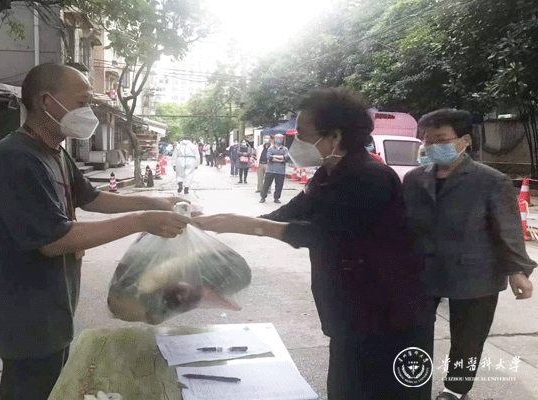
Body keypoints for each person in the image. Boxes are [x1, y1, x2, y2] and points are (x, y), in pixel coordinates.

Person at [193, 87, 435, 400]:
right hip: (353, 309)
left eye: (303, 135)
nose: (296, 143)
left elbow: (325, 234)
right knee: (346, 386)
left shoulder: (369, 176)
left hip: (390, 312)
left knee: (380, 391)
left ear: (334, 136)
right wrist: (226, 222)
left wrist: (252, 226)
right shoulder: (328, 173)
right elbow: (292, 212)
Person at [0, 63, 190, 400]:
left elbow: (91, 198)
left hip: (51, 306)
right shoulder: (14, 159)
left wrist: (155, 201)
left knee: (52, 386)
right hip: (24, 313)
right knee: (31, 389)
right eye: (82, 102)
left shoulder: (54, 152)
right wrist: (141, 221)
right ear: (46, 102)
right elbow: (54, 240)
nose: (88, 111)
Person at [403, 109, 536, 400]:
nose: (431, 146)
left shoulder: (491, 180)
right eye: (427, 140)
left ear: (464, 141)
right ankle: (413, 383)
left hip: (476, 272)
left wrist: (517, 271)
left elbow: (508, 229)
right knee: (412, 330)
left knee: (468, 338)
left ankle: (455, 390)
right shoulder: (414, 179)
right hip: (423, 269)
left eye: (441, 140)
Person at [260, 134, 290, 203]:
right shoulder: (271, 148)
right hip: (270, 170)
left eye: (281, 138)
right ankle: (263, 197)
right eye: (277, 138)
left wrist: (274, 157)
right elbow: (269, 157)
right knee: (266, 185)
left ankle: (276, 198)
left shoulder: (285, 149)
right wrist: (281, 159)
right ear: (274, 139)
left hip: (281, 171)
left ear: (283, 139)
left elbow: (286, 157)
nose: (279, 139)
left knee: (279, 186)